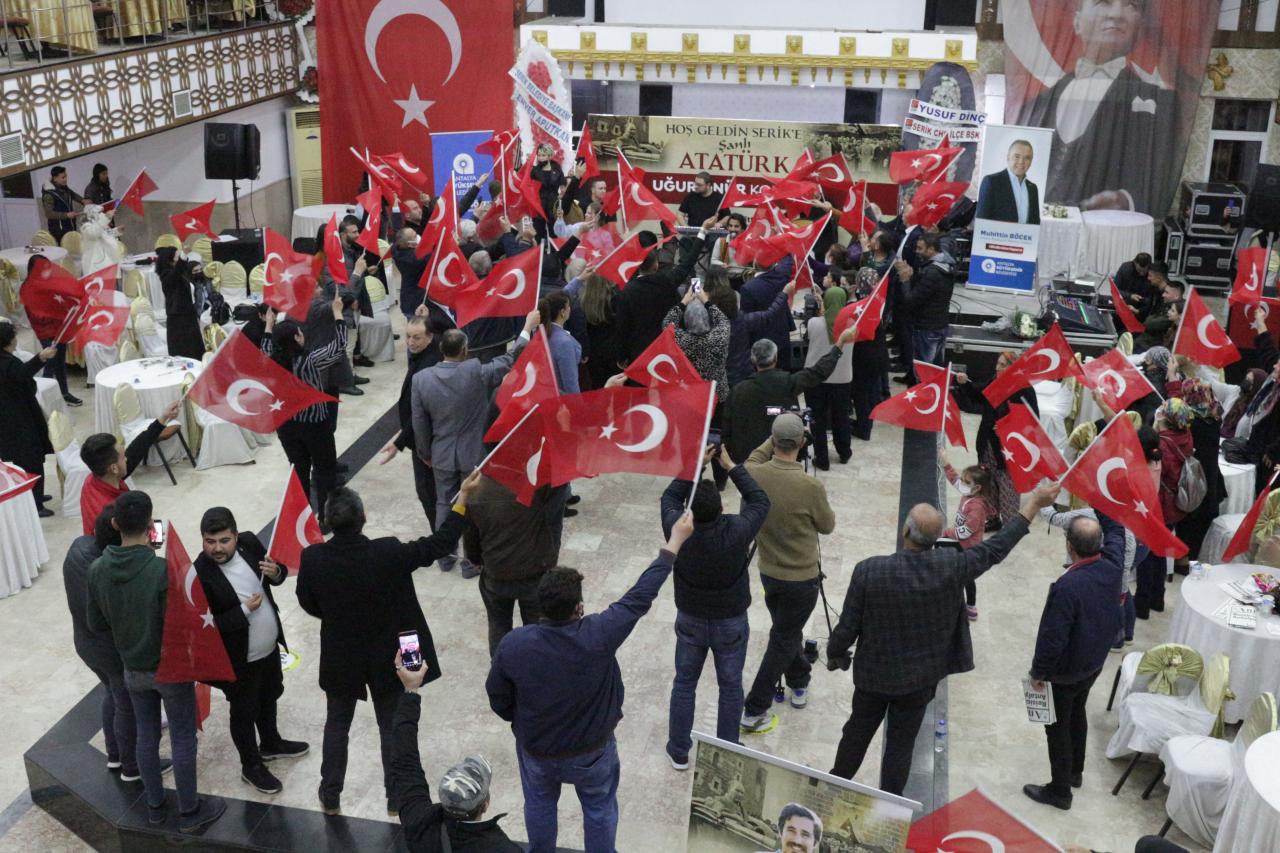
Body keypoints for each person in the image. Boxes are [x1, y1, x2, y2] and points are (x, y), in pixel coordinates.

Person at [826, 482, 1060, 795]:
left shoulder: (870, 571)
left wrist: (835, 653)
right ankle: (890, 804)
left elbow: (847, 628)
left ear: (906, 532)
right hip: (919, 680)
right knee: (901, 745)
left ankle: (833, 788)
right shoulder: (952, 566)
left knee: (856, 733)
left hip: (873, 677)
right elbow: (997, 548)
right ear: (935, 539)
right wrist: (1031, 505)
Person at [485, 510, 695, 853]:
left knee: (538, 805)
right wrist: (673, 544)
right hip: (592, 751)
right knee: (598, 809)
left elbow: (497, 697)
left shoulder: (514, 644)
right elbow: (639, 597)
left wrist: (522, 720)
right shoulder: (599, 634)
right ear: (579, 608)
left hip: (537, 748)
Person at [296, 476, 479, 816]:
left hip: (341, 653)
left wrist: (337, 617)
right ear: (363, 517)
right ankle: (396, 797)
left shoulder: (313, 559)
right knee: (392, 725)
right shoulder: (388, 551)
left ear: (328, 522)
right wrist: (463, 497)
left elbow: (308, 602)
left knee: (337, 723)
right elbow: (439, 543)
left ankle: (330, 793)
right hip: (392, 653)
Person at [85, 490, 227, 833]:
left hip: (131, 668)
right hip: (169, 668)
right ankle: (190, 810)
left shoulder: (97, 570)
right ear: (151, 525)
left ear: (116, 523)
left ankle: (154, 805)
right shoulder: (161, 570)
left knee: (145, 734)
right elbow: (179, 624)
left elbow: (96, 624)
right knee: (181, 736)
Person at [661, 446, 769, 769]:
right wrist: (730, 465)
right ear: (722, 508)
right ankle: (726, 751)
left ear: (689, 512)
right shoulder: (736, 530)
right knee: (731, 685)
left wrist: (696, 465)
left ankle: (679, 749)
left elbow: (668, 497)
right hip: (730, 621)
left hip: (691, 617)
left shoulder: (677, 528)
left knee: (684, 682)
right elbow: (760, 500)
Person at [412, 310, 539, 575]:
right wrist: (526, 327)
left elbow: (419, 423)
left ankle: (445, 555)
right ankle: (471, 561)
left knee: (444, 503)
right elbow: (512, 357)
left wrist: (425, 452)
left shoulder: (421, 380)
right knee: (473, 506)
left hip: (441, 453)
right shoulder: (477, 372)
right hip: (473, 455)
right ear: (465, 350)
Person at [1020, 0, 1177, 214]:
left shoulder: (1158, 102)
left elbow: (1158, 177)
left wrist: (1125, 200)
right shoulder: (1038, 105)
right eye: (1104, 2)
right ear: (1077, 22)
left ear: (1139, 26)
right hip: (1041, 227)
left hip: (1106, 236)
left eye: (1130, 5)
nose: (1117, 14)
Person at [194, 507, 308, 795]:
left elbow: (275, 577)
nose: (217, 548)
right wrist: (244, 610)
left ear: (235, 535)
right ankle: (251, 766)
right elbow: (204, 628)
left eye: (223, 540)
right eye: (210, 541)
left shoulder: (249, 543)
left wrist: (277, 572)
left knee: (270, 695)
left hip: (269, 650)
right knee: (244, 712)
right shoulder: (199, 574)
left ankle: (270, 743)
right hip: (238, 661)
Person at [740, 415, 836, 733]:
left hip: (769, 572)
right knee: (782, 639)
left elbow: (753, 458)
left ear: (774, 441)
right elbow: (827, 525)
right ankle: (754, 708)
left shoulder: (754, 474)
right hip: (802, 578)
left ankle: (799, 681)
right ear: (802, 444)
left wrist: (774, 437)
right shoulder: (809, 485)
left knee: (786, 632)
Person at [1023, 512, 1125, 810]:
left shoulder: (1068, 586)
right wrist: (1102, 497)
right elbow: (1117, 527)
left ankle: (1059, 791)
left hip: (1064, 671)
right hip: (1093, 662)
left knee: (1056, 727)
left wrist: (1038, 672)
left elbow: (1053, 639)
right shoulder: (1113, 564)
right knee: (1077, 711)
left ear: (1069, 546)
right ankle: (1075, 772)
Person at [391, 656, 522, 852]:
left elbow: (404, 761)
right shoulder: (501, 849)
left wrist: (411, 690)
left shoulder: (418, 821)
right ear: (485, 805)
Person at [62, 504, 141, 779]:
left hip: (85, 644)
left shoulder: (78, 548)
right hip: (111, 651)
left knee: (112, 694)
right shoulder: (110, 575)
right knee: (126, 704)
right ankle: (131, 767)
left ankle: (115, 755)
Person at [462, 473, 567, 656]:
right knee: (536, 632)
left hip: (495, 573)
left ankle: (500, 672)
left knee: (498, 627)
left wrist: (476, 560)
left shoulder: (477, 488)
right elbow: (554, 523)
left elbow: (471, 537)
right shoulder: (540, 484)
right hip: (534, 573)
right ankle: (533, 675)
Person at [262, 299, 347, 522]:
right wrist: (338, 315)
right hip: (315, 425)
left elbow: (265, 347)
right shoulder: (308, 361)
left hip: (286, 425)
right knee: (325, 471)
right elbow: (338, 347)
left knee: (298, 472)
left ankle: (303, 518)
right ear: (297, 338)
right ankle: (326, 519)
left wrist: (269, 325)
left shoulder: (271, 362)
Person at [721, 331, 853, 466]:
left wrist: (730, 456)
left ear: (753, 360)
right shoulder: (788, 383)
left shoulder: (738, 390)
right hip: (783, 454)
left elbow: (727, 427)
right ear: (775, 358)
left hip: (748, 458)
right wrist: (839, 344)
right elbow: (819, 371)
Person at [951, 354, 1042, 523]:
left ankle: (1009, 525)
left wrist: (1008, 427)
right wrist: (964, 384)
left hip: (1009, 447)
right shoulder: (995, 381)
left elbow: (1033, 418)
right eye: (997, 364)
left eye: (1002, 365)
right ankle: (992, 517)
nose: (997, 368)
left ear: (1012, 367)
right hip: (988, 441)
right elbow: (979, 395)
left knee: (1008, 484)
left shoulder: (1024, 388)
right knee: (988, 480)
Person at [379, 313, 444, 527]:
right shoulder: (424, 353)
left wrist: (398, 442)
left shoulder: (428, 367)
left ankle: (441, 539)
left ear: (430, 336)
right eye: (408, 336)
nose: (410, 342)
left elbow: (420, 415)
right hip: (420, 434)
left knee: (428, 492)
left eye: (416, 337)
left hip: (425, 440)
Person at [78, 402, 181, 535]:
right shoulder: (115, 513)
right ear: (114, 468)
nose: (127, 459)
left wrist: (164, 417)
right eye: (122, 457)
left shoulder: (95, 478)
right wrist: (158, 535)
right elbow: (140, 543)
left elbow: (138, 447)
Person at [614, 229, 704, 360]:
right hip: (667, 349)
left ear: (637, 265)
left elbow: (622, 328)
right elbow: (688, 262)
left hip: (639, 353)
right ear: (656, 265)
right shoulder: (667, 281)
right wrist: (703, 232)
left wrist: (621, 357)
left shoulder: (626, 292)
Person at [0, 324, 57, 515]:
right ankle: (36, 502)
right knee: (31, 459)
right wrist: (41, 358)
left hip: (8, 419)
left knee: (20, 459)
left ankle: (35, 495)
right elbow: (23, 375)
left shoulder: (6, 360)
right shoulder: (9, 362)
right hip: (20, 418)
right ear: (9, 340)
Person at [938, 451, 997, 621]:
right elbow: (956, 480)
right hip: (961, 544)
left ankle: (970, 606)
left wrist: (948, 532)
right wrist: (946, 464)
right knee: (964, 575)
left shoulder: (977, 507)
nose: (962, 483)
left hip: (968, 547)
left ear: (977, 487)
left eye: (966, 482)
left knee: (967, 578)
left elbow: (966, 531)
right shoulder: (968, 493)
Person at [893, 232, 955, 384]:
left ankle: (924, 404)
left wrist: (905, 280)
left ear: (931, 250)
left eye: (920, 248)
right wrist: (914, 277)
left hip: (926, 329)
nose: (916, 251)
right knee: (935, 371)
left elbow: (910, 301)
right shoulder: (946, 266)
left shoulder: (932, 273)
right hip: (938, 325)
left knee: (924, 375)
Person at [803, 285, 854, 469]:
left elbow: (815, 326)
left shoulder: (814, 323)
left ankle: (822, 458)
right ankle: (844, 451)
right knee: (841, 417)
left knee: (817, 420)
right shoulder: (853, 325)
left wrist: (821, 307)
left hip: (815, 378)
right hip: (842, 379)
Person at [663, 283, 731, 398]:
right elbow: (723, 320)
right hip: (716, 394)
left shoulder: (680, 340)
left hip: (691, 394)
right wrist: (706, 301)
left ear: (686, 321)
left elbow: (667, 323)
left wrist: (684, 300)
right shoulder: (720, 336)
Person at [975, 139, 1040, 225]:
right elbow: (981, 221)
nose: (1021, 162)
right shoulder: (991, 182)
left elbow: (1035, 223)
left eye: (1027, 158)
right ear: (1008, 157)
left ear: (1031, 161)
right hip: (995, 238)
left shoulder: (1033, 188)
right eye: (1017, 156)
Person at [155, 249, 204, 361]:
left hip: (189, 317)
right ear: (170, 260)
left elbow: (183, 268)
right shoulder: (166, 276)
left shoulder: (179, 272)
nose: (180, 258)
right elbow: (176, 272)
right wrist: (183, 256)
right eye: (177, 256)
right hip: (179, 322)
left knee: (196, 351)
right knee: (186, 354)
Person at [580, 272, 624, 390]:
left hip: (593, 353)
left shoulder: (583, 303)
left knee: (597, 388)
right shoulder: (616, 301)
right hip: (612, 352)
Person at [540, 290, 581, 394]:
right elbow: (570, 384)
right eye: (568, 307)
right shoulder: (564, 343)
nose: (570, 309)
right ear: (562, 312)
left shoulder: (541, 332)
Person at [1133, 273, 1182, 352]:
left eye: (1166, 293)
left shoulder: (1177, 310)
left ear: (1176, 296)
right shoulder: (1167, 304)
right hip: (1152, 341)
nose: (1163, 295)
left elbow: (1148, 323)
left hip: (1156, 345)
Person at [41, 165, 84, 240]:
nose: (66, 179)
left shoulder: (63, 186)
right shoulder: (48, 195)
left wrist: (82, 200)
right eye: (63, 177)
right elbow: (48, 214)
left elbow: (72, 194)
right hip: (59, 231)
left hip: (70, 226)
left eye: (66, 176)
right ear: (55, 179)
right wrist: (66, 215)